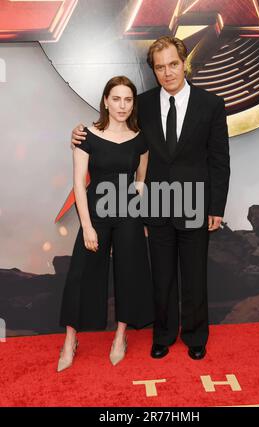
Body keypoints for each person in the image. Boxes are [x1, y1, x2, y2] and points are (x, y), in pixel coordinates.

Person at [71, 36, 230, 361]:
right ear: (154, 71)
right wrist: (79, 133)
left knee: (195, 275)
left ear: (183, 62)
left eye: (173, 64)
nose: (168, 72)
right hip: (155, 203)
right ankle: (164, 335)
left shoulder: (211, 104)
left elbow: (219, 159)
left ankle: (196, 336)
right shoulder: (139, 104)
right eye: (160, 67)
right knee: (161, 276)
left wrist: (216, 206)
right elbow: (113, 129)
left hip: (194, 201)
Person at [57, 76, 154, 372]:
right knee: (81, 274)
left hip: (128, 216)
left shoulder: (140, 139)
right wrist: (86, 226)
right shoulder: (85, 134)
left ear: (132, 103)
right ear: (106, 101)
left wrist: (139, 216)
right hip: (95, 213)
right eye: (116, 99)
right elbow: (78, 182)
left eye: (128, 99)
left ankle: (120, 337)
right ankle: (70, 340)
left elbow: (140, 181)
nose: (122, 105)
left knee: (128, 273)